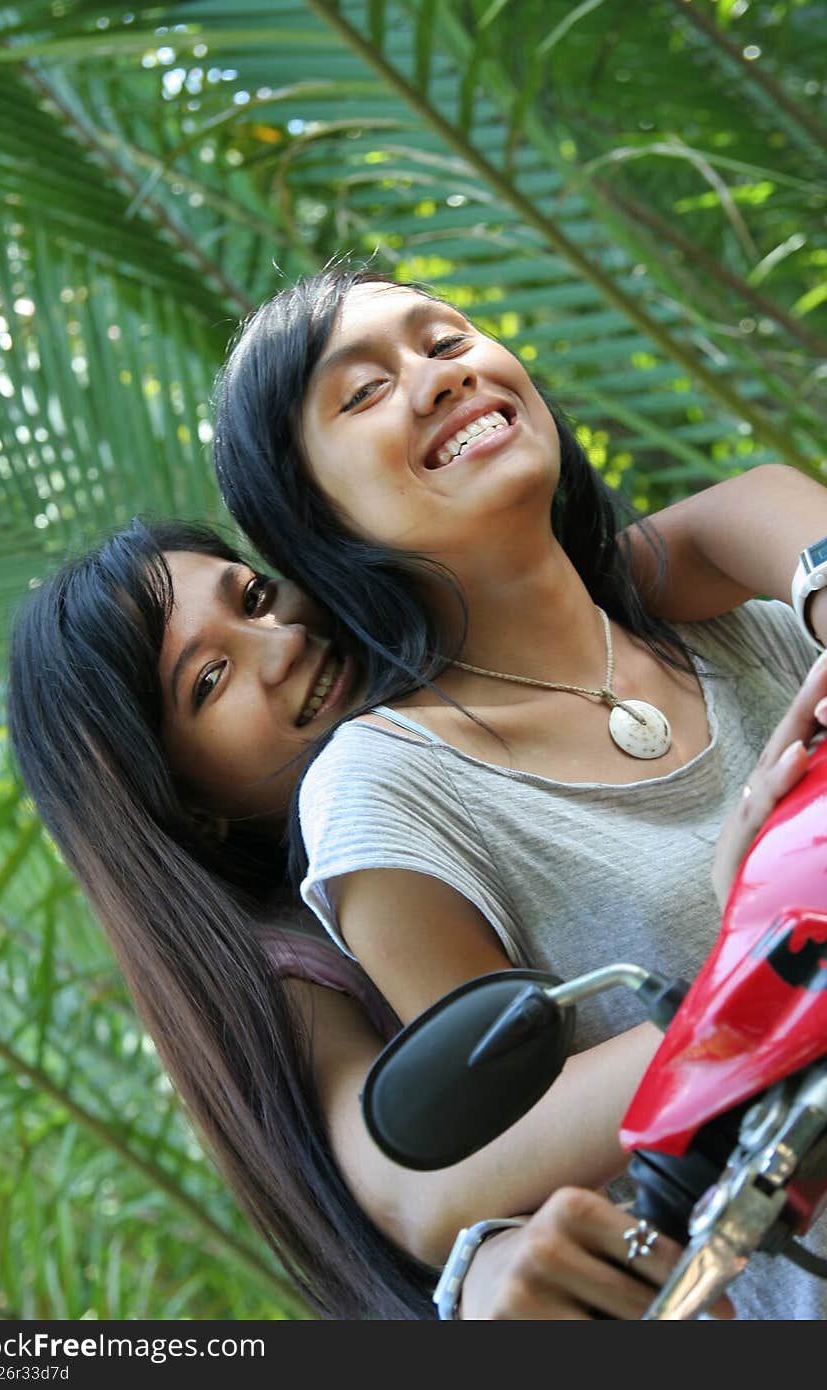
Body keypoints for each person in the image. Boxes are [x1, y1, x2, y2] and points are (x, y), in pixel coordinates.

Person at [6, 514, 822, 1320]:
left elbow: (722, 520)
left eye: (254, 597)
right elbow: (416, 1192)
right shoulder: (288, 965)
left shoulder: (492, 665)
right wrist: (767, 972)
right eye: (209, 681)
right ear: (185, 806)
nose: (280, 642)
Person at [209, 264, 827, 1318]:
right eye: (360, 392)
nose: (436, 377)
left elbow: (766, 510)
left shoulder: (757, 617)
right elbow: (515, 1148)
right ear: (316, 522)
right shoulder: (387, 786)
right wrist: (752, 932)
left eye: (445, 340)